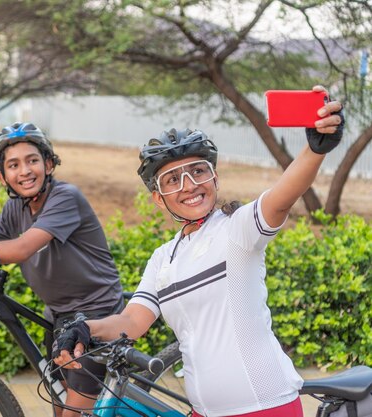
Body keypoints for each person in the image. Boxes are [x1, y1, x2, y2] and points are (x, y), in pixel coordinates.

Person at [52, 85, 345, 417]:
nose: (189, 185)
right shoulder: (163, 257)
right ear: (158, 198)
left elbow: (282, 195)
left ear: (214, 177)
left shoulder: (237, 229)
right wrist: (85, 328)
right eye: (172, 179)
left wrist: (315, 150)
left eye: (198, 171)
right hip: (203, 412)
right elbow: (131, 322)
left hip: (264, 406)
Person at [0, 122, 124, 417]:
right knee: (60, 407)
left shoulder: (65, 197)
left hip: (98, 313)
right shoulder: (15, 209)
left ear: (48, 164)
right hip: (58, 317)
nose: (24, 171)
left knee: (75, 412)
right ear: (2, 175)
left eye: (32, 160)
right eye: (13, 165)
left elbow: (22, 248)